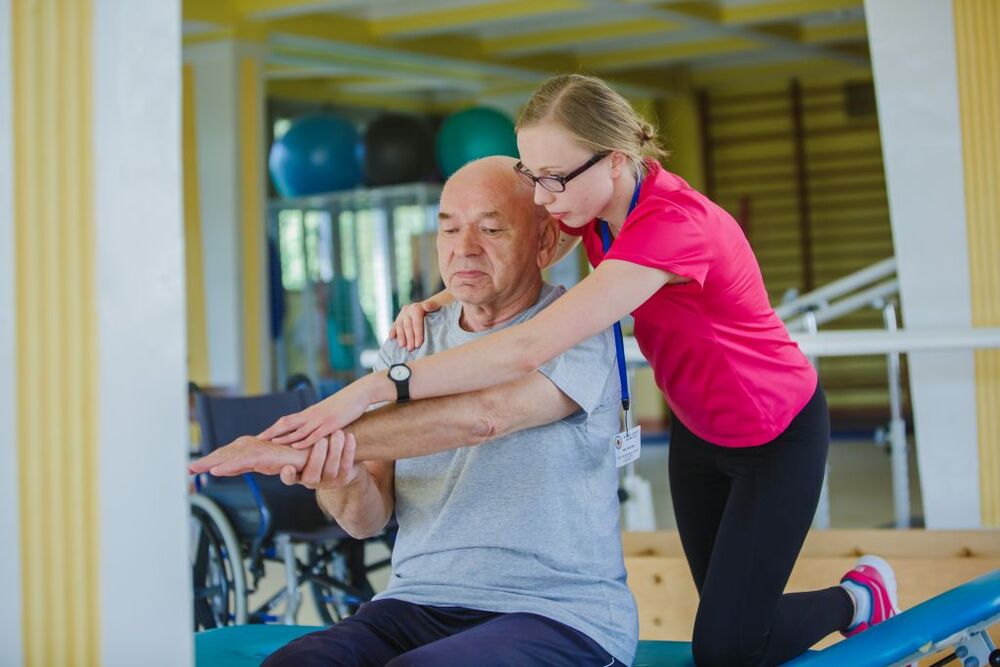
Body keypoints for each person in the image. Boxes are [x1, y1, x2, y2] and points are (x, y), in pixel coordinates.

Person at [258, 75, 901, 666]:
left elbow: (527, 345)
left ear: (616, 159)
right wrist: (430, 302)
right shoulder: (586, 210)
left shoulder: (675, 226)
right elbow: (500, 252)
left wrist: (378, 387)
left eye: (555, 178)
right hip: (699, 431)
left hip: (775, 431)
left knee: (728, 650)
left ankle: (858, 598)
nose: (544, 196)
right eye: (533, 176)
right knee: (735, 623)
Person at [192, 155, 639, 666]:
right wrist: (338, 470)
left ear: (543, 243)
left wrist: (291, 444)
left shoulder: (579, 329)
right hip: (413, 601)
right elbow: (365, 521)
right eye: (448, 229)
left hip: (555, 612)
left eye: (491, 229)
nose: (464, 249)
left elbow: (484, 416)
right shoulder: (410, 342)